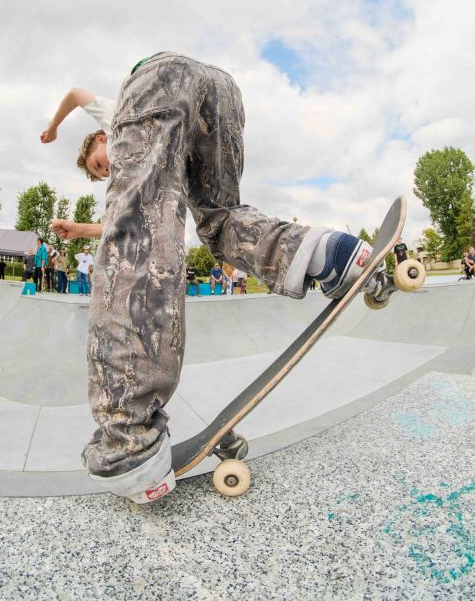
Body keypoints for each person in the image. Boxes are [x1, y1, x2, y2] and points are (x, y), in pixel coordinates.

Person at [42, 52, 373, 504]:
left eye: (103, 164)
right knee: (219, 218)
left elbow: (75, 94)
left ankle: (128, 443)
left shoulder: (111, 111)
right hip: (222, 95)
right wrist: (81, 230)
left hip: (158, 80)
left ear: (103, 137)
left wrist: (54, 126)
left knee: (136, 232)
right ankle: (328, 254)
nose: (110, 171)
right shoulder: (153, 137)